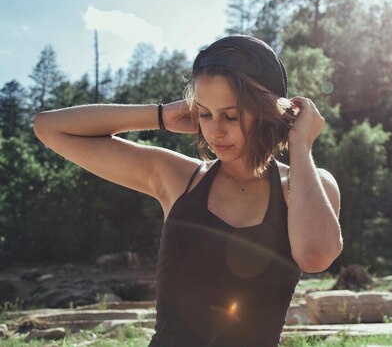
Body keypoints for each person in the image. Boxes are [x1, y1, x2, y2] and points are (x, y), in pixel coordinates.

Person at [33, 35, 343, 346]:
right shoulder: (180, 178)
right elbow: (49, 128)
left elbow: (315, 256)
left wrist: (299, 144)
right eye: (205, 114)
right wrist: (161, 115)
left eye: (231, 115)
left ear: (267, 111)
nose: (215, 130)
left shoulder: (305, 186)